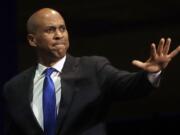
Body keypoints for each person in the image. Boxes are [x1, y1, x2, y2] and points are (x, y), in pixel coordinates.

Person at [1, 8, 180, 135]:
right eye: (50, 30)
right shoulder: (14, 88)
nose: (59, 35)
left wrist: (150, 74)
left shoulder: (93, 68)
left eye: (62, 28)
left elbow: (129, 86)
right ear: (33, 40)